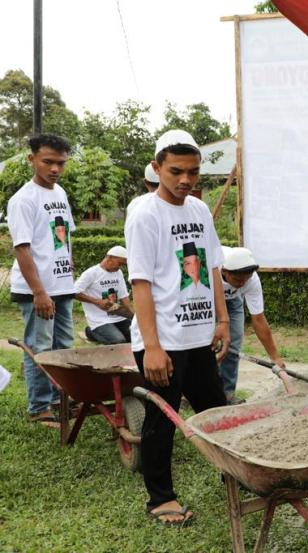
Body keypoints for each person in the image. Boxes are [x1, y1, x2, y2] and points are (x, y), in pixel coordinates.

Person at [125, 129, 230, 525]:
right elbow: (141, 284)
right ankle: (160, 499)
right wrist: (152, 346)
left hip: (199, 335)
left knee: (216, 413)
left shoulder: (199, 211)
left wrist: (221, 320)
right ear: (157, 168)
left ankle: (234, 476)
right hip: (163, 339)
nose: (185, 180)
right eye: (175, 171)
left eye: (192, 172)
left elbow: (214, 265)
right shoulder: (145, 215)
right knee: (162, 421)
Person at [7, 134, 76, 427]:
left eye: (60, 163)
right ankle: (39, 407)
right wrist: (39, 292)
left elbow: (62, 238)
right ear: (31, 159)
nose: (55, 169)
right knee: (40, 348)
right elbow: (22, 248)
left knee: (64, 347)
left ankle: (61, 398)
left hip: (62, 287)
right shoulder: (23, 199)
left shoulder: (59, 193)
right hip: (38, 290)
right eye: (48, 162)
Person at [218, 246, 288, 404]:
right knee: (204, 345)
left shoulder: (251, 280)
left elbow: (258, 319)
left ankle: (227, 394)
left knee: (233, 345)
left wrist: (275, 357)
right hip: (205, 298)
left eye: (246, 279)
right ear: (225, 271)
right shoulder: (211, 268)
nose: (242, 284)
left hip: (233, 302)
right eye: (237, 280)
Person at [74, 245, 133, 344]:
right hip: (99, 320)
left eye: (123, 265)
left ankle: (107, 332)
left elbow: (124, 297)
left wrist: (134, 317)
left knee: (137, 337)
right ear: (109, 257)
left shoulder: (118, 273)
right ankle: (90, 332)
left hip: (118, 316)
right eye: (119, 263)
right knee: (118, 341)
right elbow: (74, 292)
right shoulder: (91, 273)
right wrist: (97, 301)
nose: (120, 267)